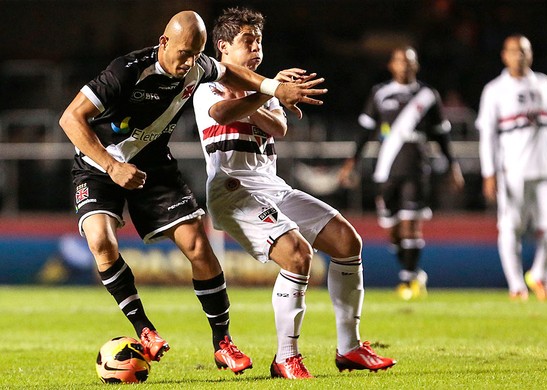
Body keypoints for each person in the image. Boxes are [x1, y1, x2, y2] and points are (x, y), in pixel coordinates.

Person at [58, 10, 326, 373]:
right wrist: (112, 166)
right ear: (164, 42)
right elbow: (70, 118)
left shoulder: (198, 65)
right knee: (101, 241)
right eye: (183, 53)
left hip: (153, 165)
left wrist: (273, 88)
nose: (189, 63)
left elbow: (231, 72)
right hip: (98, 164)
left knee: (197, 245)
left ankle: (223, 343)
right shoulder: (127, 70)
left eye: (196, 55)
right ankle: (144, 329)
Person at [192, 7, 396, 379]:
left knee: (347, 242)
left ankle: (349, 348)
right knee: (298, 255)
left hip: (271, 186)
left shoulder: (263, 88)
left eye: (259, 41)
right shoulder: (208, 84)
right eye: (247, 41)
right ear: (222, 47)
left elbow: (279, 126)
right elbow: (222, 113)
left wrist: (264, 92)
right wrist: (267, 89)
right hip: (232, 191)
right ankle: (286, 357)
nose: (256, 48)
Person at [339, 46, 464, 300]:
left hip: (416, 166)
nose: (404, 66)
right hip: (386, 168)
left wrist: (453, 164)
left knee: (411, 223)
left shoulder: (428, 96)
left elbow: (441, 133)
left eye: (409, 62)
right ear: (391, 65)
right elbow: (365, 131)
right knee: (393, 229)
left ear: (416, 66)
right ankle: (414, 272)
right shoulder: (380, 94)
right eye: (399, 61)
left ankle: (408, 280)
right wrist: (352, 161)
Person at [476, 34, 547, 302]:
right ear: (504, 55)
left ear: (531, 54)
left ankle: (538, 274)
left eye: (524, 50)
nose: (519, 55)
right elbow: (488, 135)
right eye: (514, 51)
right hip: (513, 169)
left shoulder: (545, 83)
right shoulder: (494, 89)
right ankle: (517, 286)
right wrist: (489, 172)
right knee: (510, 226)